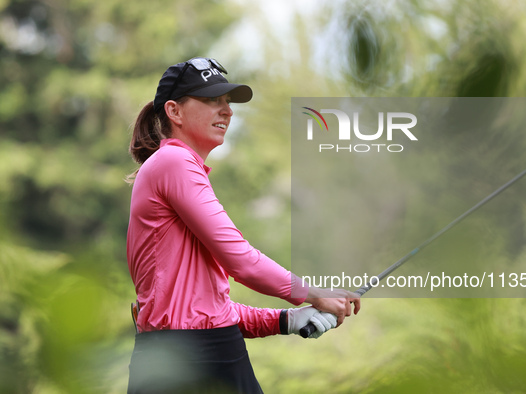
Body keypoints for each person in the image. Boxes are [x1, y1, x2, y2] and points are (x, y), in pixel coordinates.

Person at [126, 57, 361, 393]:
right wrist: (315, 294)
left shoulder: (169, 167)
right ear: (175, 112)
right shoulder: (175, 162)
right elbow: (241, 261)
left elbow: (205, 310)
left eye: (227, 102)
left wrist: (286, 320)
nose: (227, 111)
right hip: (199, 359)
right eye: (211, 100)